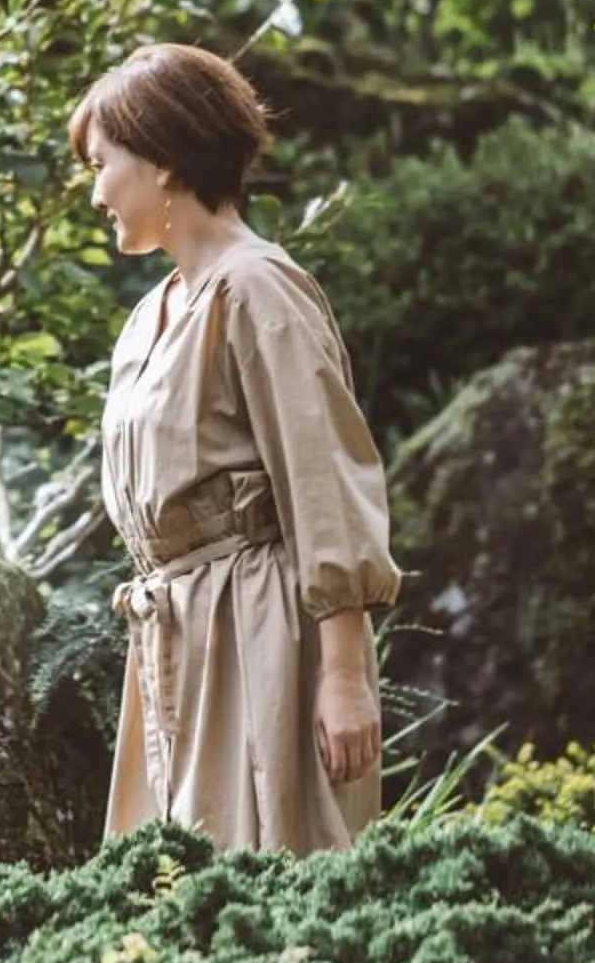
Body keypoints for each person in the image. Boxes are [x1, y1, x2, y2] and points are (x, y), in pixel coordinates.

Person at [69, 43, 400, 853]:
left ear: (167, 163)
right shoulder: (149, 315)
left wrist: (345, 676)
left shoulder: (258, 289)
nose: (95, 191)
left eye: (103, 164)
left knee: (267, 872)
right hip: (174, 632)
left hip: (259, 634)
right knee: (171, 897)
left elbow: (320, 476)